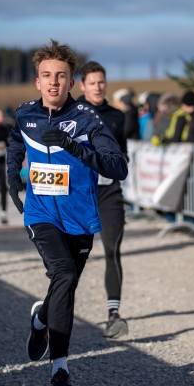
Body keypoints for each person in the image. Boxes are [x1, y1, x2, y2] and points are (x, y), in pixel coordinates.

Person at [7, 40, 127, 386]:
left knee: (65, 285)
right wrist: (11, 174)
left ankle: (40, 319)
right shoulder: (25, 114)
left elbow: (118, 166)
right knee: (65, 275)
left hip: (80, 217)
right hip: (41, 213)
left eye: (61, 76)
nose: (53, 82)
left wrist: (75, 146)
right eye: (46, 75)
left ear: (71, 82)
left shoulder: (87, 119)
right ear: (38, 82)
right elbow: (15, 140)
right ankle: (60, 373)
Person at [77, 61, 129, 339]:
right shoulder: (71, 112)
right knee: (72, 256)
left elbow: (123, 152)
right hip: (78, 194)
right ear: (82, 85)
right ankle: (58, 312)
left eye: (101, 82)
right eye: (92, 83)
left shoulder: (117, 116)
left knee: (111, 248)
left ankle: (114, 315)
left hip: (109, 193)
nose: (98, 87)